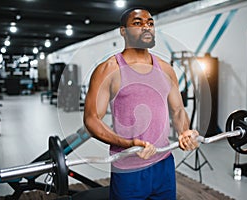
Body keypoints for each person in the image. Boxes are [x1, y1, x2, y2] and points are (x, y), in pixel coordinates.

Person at [83, 8, 200, 200]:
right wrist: (128, 144)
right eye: (138, 23)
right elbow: (91, 119)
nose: (146, 27)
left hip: (164, 163)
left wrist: (184, 132)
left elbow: (178, 110)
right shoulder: (109, 69)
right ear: (123, 31)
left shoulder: (165, 69)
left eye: (150, 23)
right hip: (128, 167)